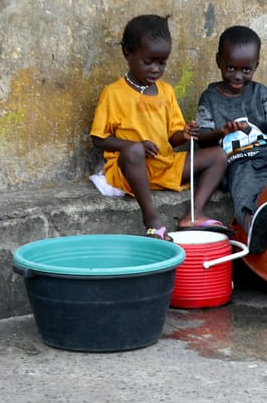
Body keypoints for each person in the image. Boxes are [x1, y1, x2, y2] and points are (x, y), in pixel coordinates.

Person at [90, 14, 228, 240]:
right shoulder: (113, 93)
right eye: (149, 62)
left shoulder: (166, 91)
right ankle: (152, 220)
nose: (156, 69)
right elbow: (98, 138)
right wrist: (134, 145)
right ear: (128, 54)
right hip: (131, 170)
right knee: (133, 151)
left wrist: (183, 135)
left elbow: (172, 138)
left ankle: (194, 213)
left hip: (164, 165)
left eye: (162, 63)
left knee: (219, 155)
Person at [195, 26, 267, 254]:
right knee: (244, 189)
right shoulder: (210, 98)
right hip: (238, 162)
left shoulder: (262, 94)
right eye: (231, 68)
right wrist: (221, 132)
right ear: (218, 62)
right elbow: (202, 139)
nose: (238, 76)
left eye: (246, 70)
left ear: (256, 66)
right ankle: (251, 226)